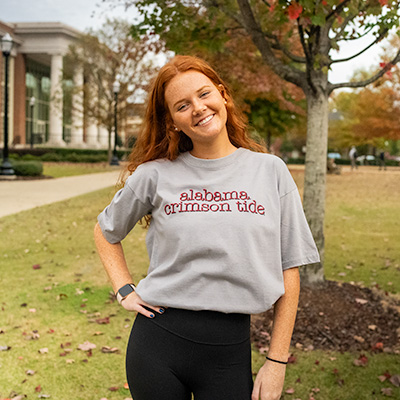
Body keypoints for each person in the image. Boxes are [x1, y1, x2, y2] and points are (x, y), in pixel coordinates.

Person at [94, 55, 320, 400]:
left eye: (203, 94)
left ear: (223, 95)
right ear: (172, 122)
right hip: (156, 345)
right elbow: (105, 231)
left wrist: (276, 361)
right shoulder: (156, 174)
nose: (197, 108)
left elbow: (290, 268)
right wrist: (124, 289)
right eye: (182, 105)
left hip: (229, 351)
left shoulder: (270, 171)